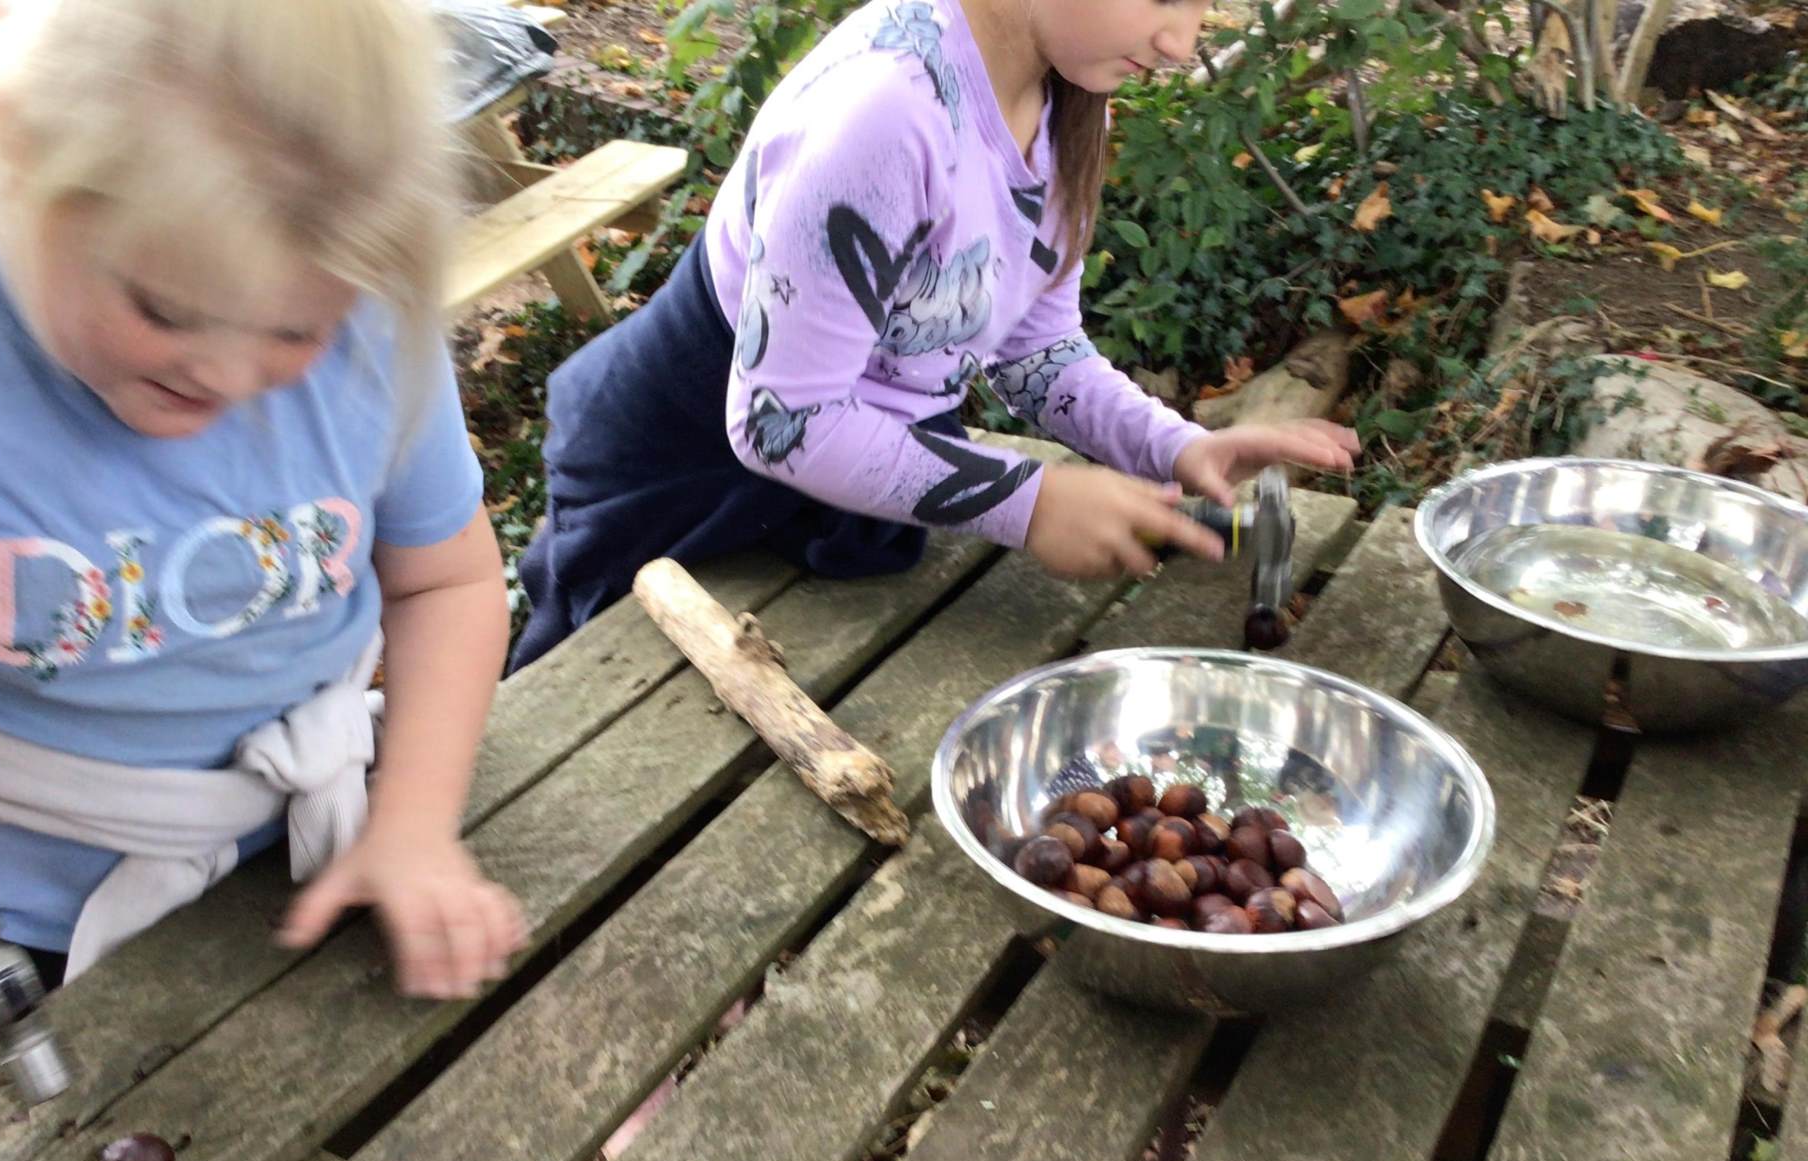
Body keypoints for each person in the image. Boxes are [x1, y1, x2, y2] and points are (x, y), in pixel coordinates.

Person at [0, 0, 526, 1070]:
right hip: (2, 923)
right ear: (19, 158)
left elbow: (445, 584)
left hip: (310, 858)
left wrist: (415, 822)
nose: (229, 376)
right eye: (165, 310)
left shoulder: (373, 318)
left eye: (295, 331)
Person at [507, 0, 1361, 669]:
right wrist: (1030, 501)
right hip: (676, 479)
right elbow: (783, 421)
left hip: (850, 477)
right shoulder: (885, 111)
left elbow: (1036, 348)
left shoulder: (1069, 99)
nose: (1184, 42)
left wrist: (1172, 448)